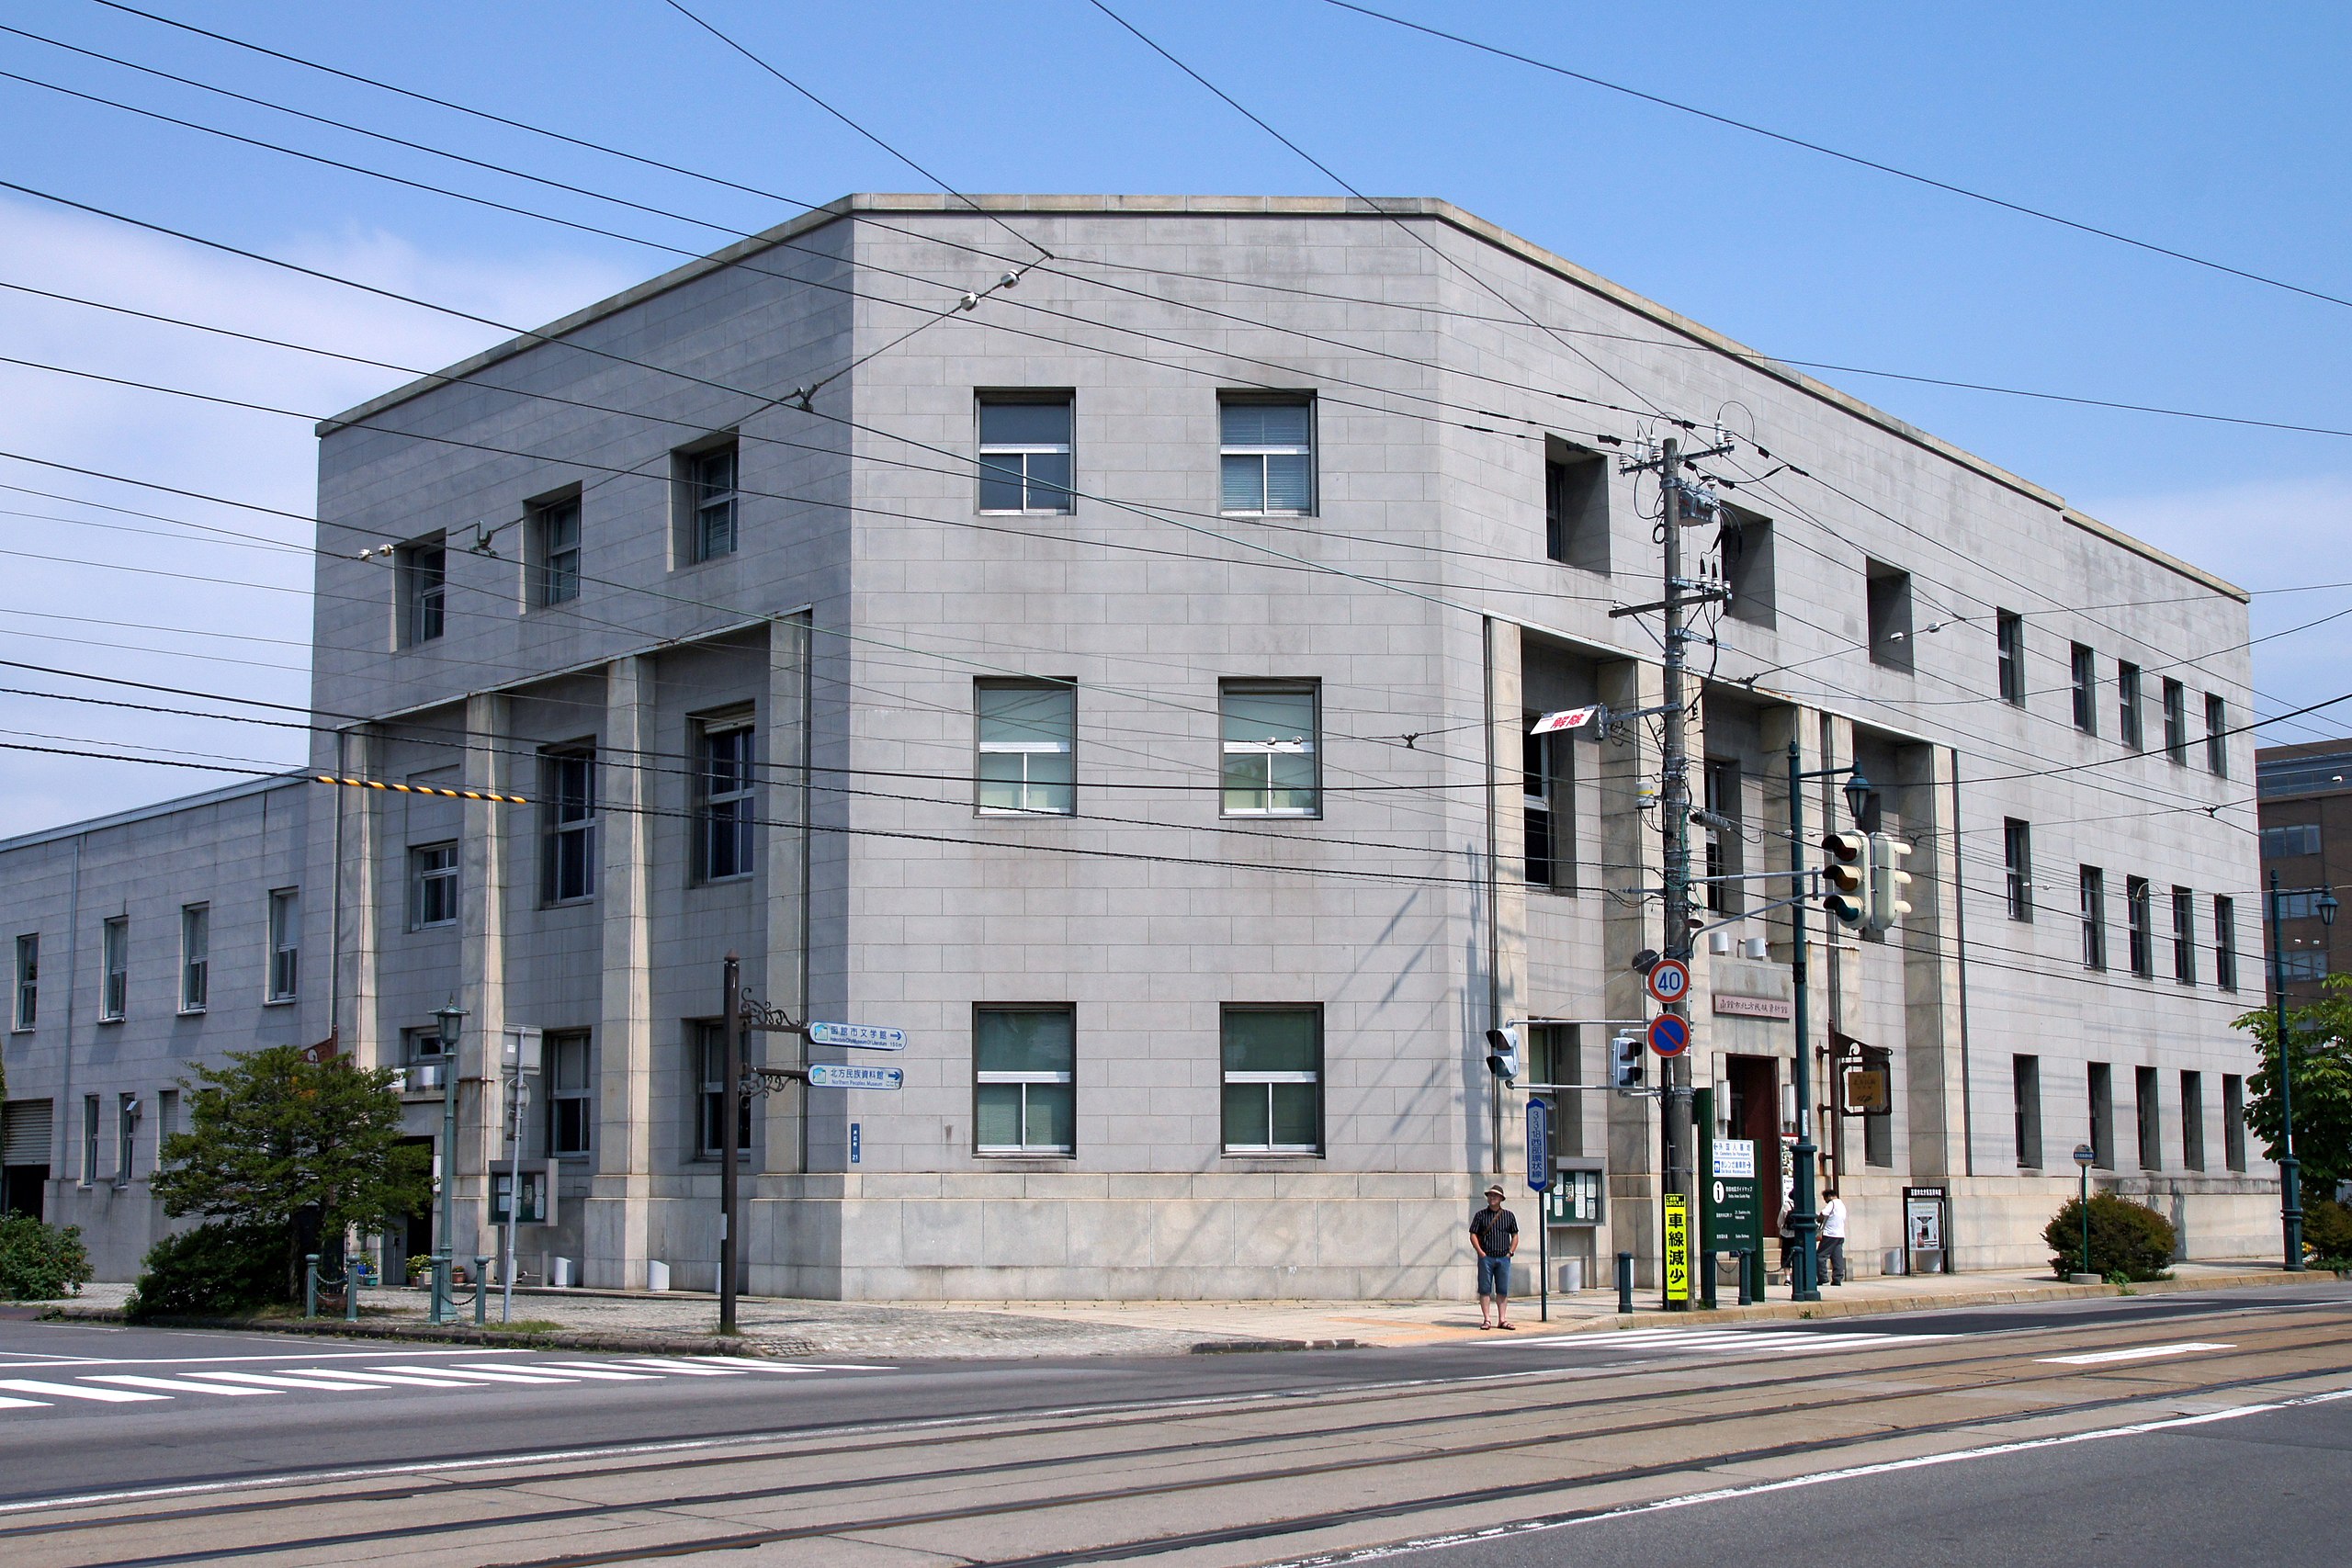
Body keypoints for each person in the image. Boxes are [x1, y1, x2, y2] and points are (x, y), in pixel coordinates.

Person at [1469, 1184, 1521, 1328]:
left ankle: (1502, 1319)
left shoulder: (1509, 1216)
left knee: (1502, 1289)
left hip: (1503, 1258)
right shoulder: (1480, 1215)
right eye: (1490, 1195)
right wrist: (1480, 1252)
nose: (1492, 1198)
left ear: (1501, 1199)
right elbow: (1473, 1234)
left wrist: (1510, 1252)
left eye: (1495, 1195)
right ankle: (1487, 1319)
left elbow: (1515, 1235)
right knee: (1485, 1289)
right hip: (1486, 1257)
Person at [1818, 1188, 1849, 1286]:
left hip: (1830, 1234)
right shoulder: (1842, 1205)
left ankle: (1822, 1278)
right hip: (1840, 1235)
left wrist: (1819, 1220)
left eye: (1825, 1199)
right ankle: (1837, 1278)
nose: (1825, 1201)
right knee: (1837, 1257)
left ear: (1829, 1196)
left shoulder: (1832, 1203)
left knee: (1820, 1256)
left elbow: (1823, 1213)